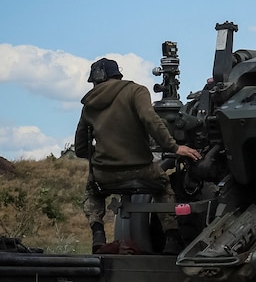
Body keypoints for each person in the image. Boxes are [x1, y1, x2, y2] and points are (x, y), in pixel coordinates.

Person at [74, 57, 202, 254]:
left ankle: (98, 235)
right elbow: (150, 119)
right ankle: (171, 239)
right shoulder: (136, 91)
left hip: (105, 175)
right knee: (163, 187)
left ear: (95, 80)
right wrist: (174, 147)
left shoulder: (89, 103)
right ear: (117, 75)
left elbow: (81, 147)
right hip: (141, 171)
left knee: (92, 191)